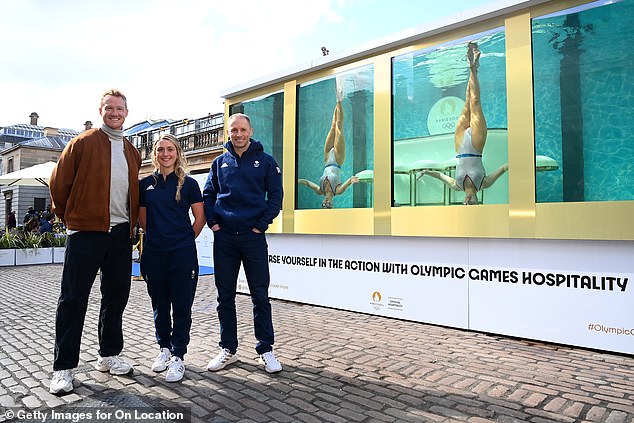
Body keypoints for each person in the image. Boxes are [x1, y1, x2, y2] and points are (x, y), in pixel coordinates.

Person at [48, 89, 141, 395]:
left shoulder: (132, 151)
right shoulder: (83, 142)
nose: (115, 112)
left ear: (127, 113)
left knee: (116, 298)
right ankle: (63, 368)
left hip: (119, 234)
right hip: (86, 232)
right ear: (100, 110)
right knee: (74, 300)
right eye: (110, 108)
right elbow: (58, 183)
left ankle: (109, 355)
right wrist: (70, 218)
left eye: (120, 109)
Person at [203, 113, 284, 373]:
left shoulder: (266, 161)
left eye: (242, 130)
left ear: (250, 131)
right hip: (224, 239)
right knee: (224, 296)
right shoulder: (218, 163)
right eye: (233, 130)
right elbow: (208, 195)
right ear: (228, 132)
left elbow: (276, 198)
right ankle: (228, 349)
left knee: (260, 295)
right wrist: (214, 224)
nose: (238, 134)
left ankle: (266, 349)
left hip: (253, 238)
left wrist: (260, 225)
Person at [139, 134, 205, 383]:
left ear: (177, 153)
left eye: (169, 149)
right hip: (155, 253)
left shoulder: (189, 184)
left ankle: (178, 355)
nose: (165, 154)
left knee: (182, 304)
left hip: (182, 254)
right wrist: (159, 238)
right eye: (160, 150)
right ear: (154, 154)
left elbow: (200, 219)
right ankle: (164, 349)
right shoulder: (145, 184)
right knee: (159, 304)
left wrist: (184, 241)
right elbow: (142, 219)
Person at [418, 42, 508, 205]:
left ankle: (474, 67)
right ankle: (472, 67)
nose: (467, 201)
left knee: (467, 102)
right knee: (475, 101)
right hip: (476, 145)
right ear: (477, 201)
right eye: (471, 203)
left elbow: (440, 176)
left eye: (464, 204)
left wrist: (426, 171)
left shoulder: (457, 186)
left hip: (459, 146)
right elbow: (504, 168)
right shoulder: (484, 184)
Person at [297, 78, 358, 209]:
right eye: (328, 204)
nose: (326, 202)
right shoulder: (338, 191)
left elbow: (307, 183)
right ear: (332, 203)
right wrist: (353, 180)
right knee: (339, 127)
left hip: (327, 159)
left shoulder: (320, 190)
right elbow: (350, 181)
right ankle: (339, 99)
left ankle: (337, 98)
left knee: (332, 126)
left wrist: (296, 181)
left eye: (324, 204)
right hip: (337, 159)